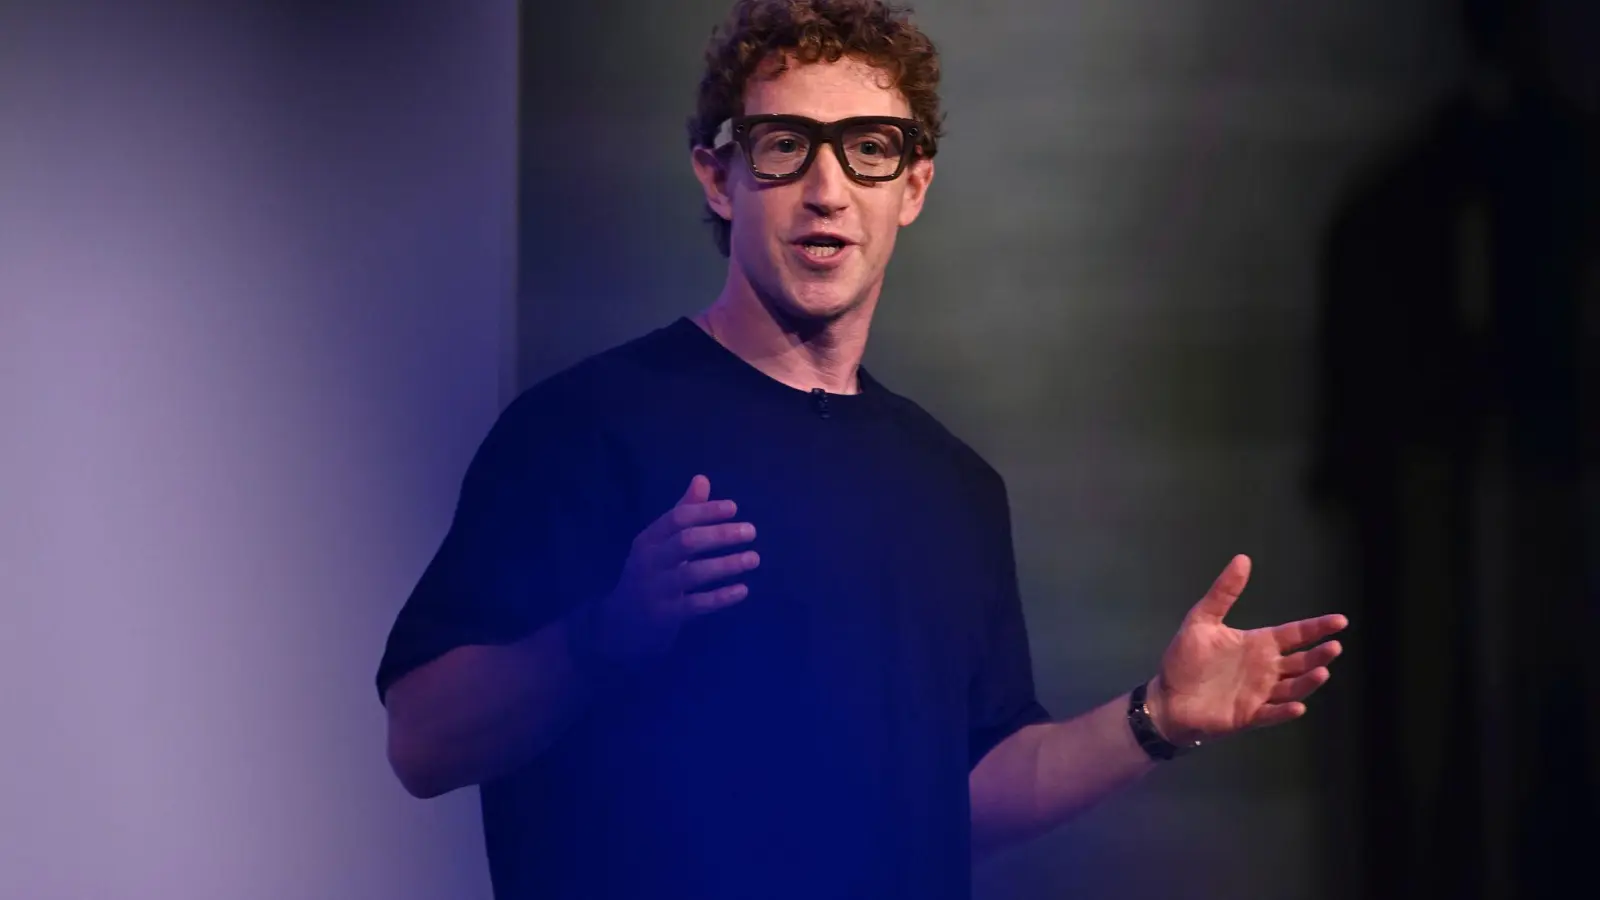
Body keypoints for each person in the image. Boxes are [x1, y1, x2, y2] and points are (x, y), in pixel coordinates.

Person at [376, 1, 1349, 898]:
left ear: (914, 184)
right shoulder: (583, 429)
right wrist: (608, 630)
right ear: (719, 177)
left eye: (868, 149)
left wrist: (1155, 716)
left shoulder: (951, 485)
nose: (826, 190)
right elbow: (421, 740)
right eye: (786, 146)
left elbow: (967, 791)